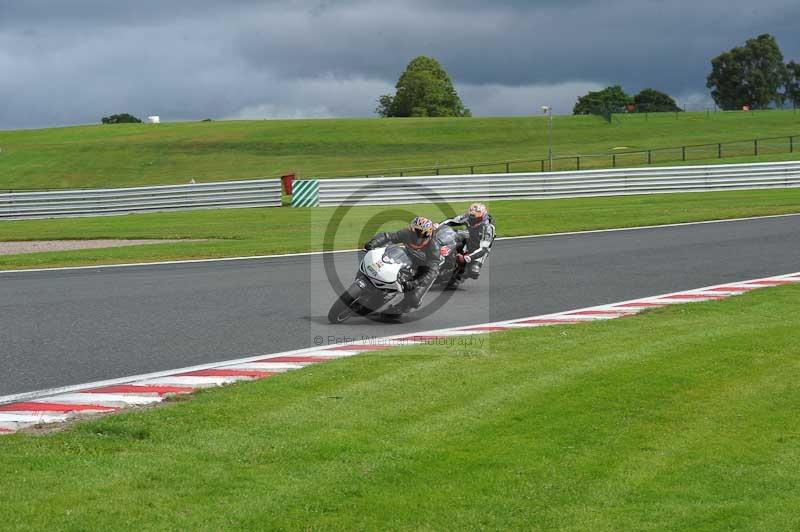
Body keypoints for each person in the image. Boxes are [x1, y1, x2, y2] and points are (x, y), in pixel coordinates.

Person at [364, 216, 441, 315]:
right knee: (386, 260)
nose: (417, 234)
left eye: (420, 232)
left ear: (428, 233)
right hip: (407, 256)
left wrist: (416, 282)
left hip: (424, 267)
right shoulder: (407, 233)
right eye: (415, 230)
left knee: (413, 299)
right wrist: (372, 244)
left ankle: (404, 307)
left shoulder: (433, 246)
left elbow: (432, 270)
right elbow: (389, 236)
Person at [441, 202, 495, 284]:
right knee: (452, 235)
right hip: (469, 238)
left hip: (480, 249)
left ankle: (457, 278)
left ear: (482, 216)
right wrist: (437, 226)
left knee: (473, 271)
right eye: (471, 217)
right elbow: (451, 221)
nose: (473, 220)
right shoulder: (467, 217)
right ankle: (443, 255)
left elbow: (483, 249)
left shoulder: (488, 228)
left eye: (475, 219)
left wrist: (467, 257)